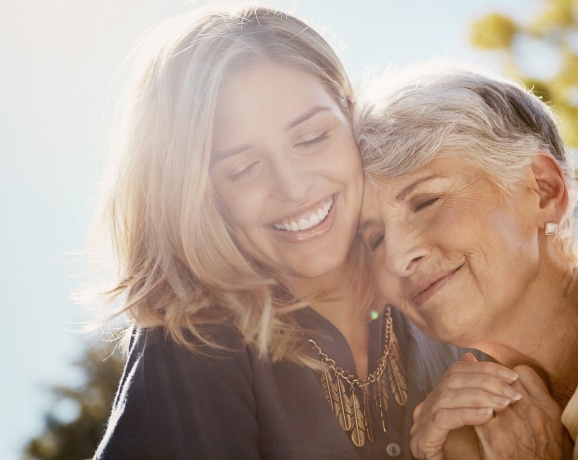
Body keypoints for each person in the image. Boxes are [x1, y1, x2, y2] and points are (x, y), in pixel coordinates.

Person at [83, 7, 484, 459]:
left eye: (312, 138)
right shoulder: (193, 342)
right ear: (198, 197)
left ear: (350, 114)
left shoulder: (446, 287)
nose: (293, 187)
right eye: (243, 168)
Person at [356, 61, 578, 459]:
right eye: (376, 239)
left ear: (543, 190)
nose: (399, 258)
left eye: (426, 201)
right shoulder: (465, 434)